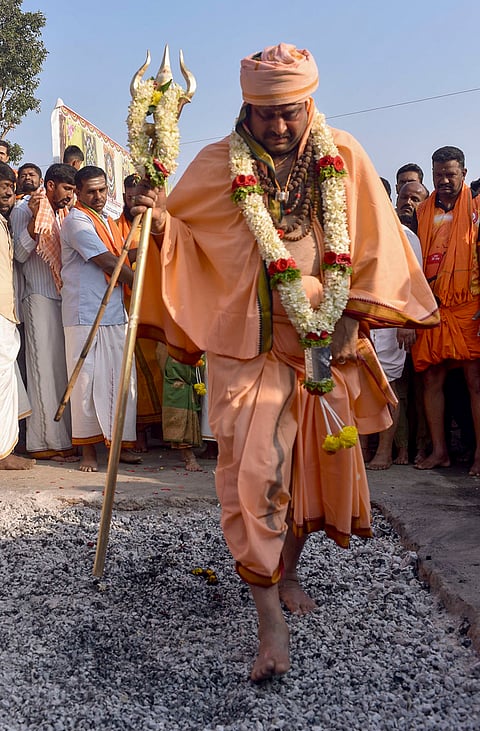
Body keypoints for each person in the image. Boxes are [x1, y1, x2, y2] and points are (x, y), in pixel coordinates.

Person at [132, 43, 438, 681]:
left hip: (321, 345)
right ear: (245, 106)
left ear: (309, 104)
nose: (277, 126)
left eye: (289, 113)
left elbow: (374, 246)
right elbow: (184, 232)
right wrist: (155, 224)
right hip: (245, 351)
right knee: (255, 477)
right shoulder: (219, 164)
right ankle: (269, 619)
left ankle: (289, 570)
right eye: (264, 113)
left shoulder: (343, 156)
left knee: (308, 479)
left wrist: (349, 318)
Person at [60, 165, 139, 472]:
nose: (98, 196)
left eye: (102, 190)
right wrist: (138, 280)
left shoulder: (108, 219)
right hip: (84, 312)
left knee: (119, 380)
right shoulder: (76, 221)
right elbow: (105, 259)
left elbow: (121, 253)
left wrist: (143, 250)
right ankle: (88, 452)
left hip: (114, 311)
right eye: (91, 191)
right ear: (77, 193)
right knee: (85, 382)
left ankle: (118, 445)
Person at [412, 146, 480, 476]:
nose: (444, 180)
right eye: (438, 175)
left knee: (474, 379)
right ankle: (440, 451)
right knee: (431, 377)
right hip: (431, 302)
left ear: (464, 174)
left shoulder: (477, 207)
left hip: (469, 304)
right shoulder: (422, 211)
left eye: (450, 174)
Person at [10, 163, 78, 461]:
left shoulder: (61, 213)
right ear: (50, 186)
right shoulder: (25, 209)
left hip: (58, 296)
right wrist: (33, 222)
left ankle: (62, 439)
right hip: (35, 297)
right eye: (67, 189)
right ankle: (43, 443)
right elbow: (21, 254)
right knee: (42, 373)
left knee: (57, 372)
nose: (69, 196)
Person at [116, 174, 164, 453]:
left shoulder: (159, 221)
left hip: (157, 301)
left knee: (161, 369)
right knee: (137, 372)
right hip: (129, 304)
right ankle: (141, 432)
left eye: (139, 194)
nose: (135, 199)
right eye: (130, 195)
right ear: (124, 196)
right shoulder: (117, 226)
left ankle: (165, 430)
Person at [0, 161, 35, 470]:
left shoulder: (4, 223)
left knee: (8, 378)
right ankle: (2, 453)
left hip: (7, 309)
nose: (7, 190)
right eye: (1, 185)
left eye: (9, 186)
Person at [394, 181, 430, 464]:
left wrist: (410, 322)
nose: (409, 203)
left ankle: (419, 446)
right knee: (398, 387)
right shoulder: (390, 231)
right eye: (404, 197)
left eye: (416, 199)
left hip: (421, 322)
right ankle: (399, 447)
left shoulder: (426, 231)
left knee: (421, 389)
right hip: (392, 325)